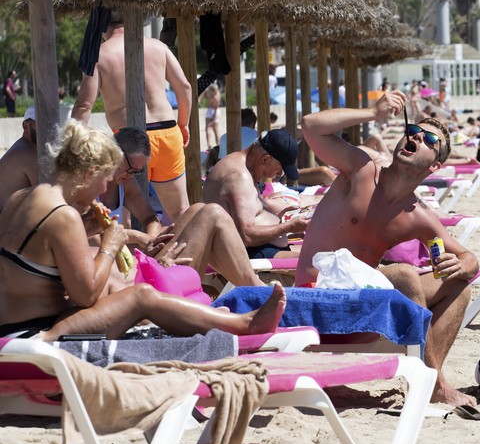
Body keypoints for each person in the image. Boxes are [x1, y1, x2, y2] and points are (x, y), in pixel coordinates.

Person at [0, 120, 286, 341]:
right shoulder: (63, 216)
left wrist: (90, 235)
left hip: (13, 324)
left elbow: (32, 261)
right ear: (87, 174)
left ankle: (223, 317)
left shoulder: (23, 198)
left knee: (133, 292)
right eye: (105, 179)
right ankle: (244, 324)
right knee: (141, 296)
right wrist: (110, 245)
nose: (104, 188)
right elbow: (86, 294)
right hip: (34, 333)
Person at [297, 91, 479, 406]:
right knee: (406, 276)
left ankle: (427, 375)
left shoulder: (416, 216)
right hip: (317, 297)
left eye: (428, 139)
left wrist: (465, 265)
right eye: (413, 132)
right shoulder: (362, 169)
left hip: (361, 305)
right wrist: (372, 112)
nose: (416, 138)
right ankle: (434, 385)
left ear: (434, 165)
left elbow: (468, 257)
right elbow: (311, 125)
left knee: (459, 289)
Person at [104, 127, 266, 289]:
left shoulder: (124, 181)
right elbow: (90, 239)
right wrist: (135, 236)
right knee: (213, 214)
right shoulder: (88, 188)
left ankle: (254, 287)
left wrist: (153, 241)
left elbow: (149, 218)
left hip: (129, 261)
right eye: (130, 169)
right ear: (113, 154)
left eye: (137, 172)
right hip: (119, 272)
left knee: (197, 209)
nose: (131, 175)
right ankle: (257, 289)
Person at [72, 12, 192, 223]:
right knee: (180, 212)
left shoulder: (99, 55)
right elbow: (185, 87)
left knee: (125, 216)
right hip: (167, 133)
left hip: (128, 143)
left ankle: (137, 255)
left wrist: (71, 144)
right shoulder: (158, 46)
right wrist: (183, 124)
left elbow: (84, 105)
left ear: (101, 27)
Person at [202, 129, 308, 259]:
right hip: (253, 254)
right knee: (320, 264)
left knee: (324, 252)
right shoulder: (239, 177)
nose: (280, 174)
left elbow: (250, 214)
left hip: (263, 248)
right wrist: (288, 227)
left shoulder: (244, 167)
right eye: (279, 169)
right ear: (265, 159)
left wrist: (280, 217)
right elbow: (246, 236)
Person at [0, 105, 39, 211]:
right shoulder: (27, 153)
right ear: (26, 126)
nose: (46, 128)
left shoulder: (26, 147)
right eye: (40, 124)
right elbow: (48, 195)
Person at [201, 82, 222, 149]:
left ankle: (211, 144)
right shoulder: (210, 91)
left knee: (210, 128)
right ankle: (216, 144)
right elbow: (203, 95)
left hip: (214, 111)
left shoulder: (215, 96)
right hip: (212, 111)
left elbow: (216, 107)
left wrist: (213, 117)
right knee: (214, 129)